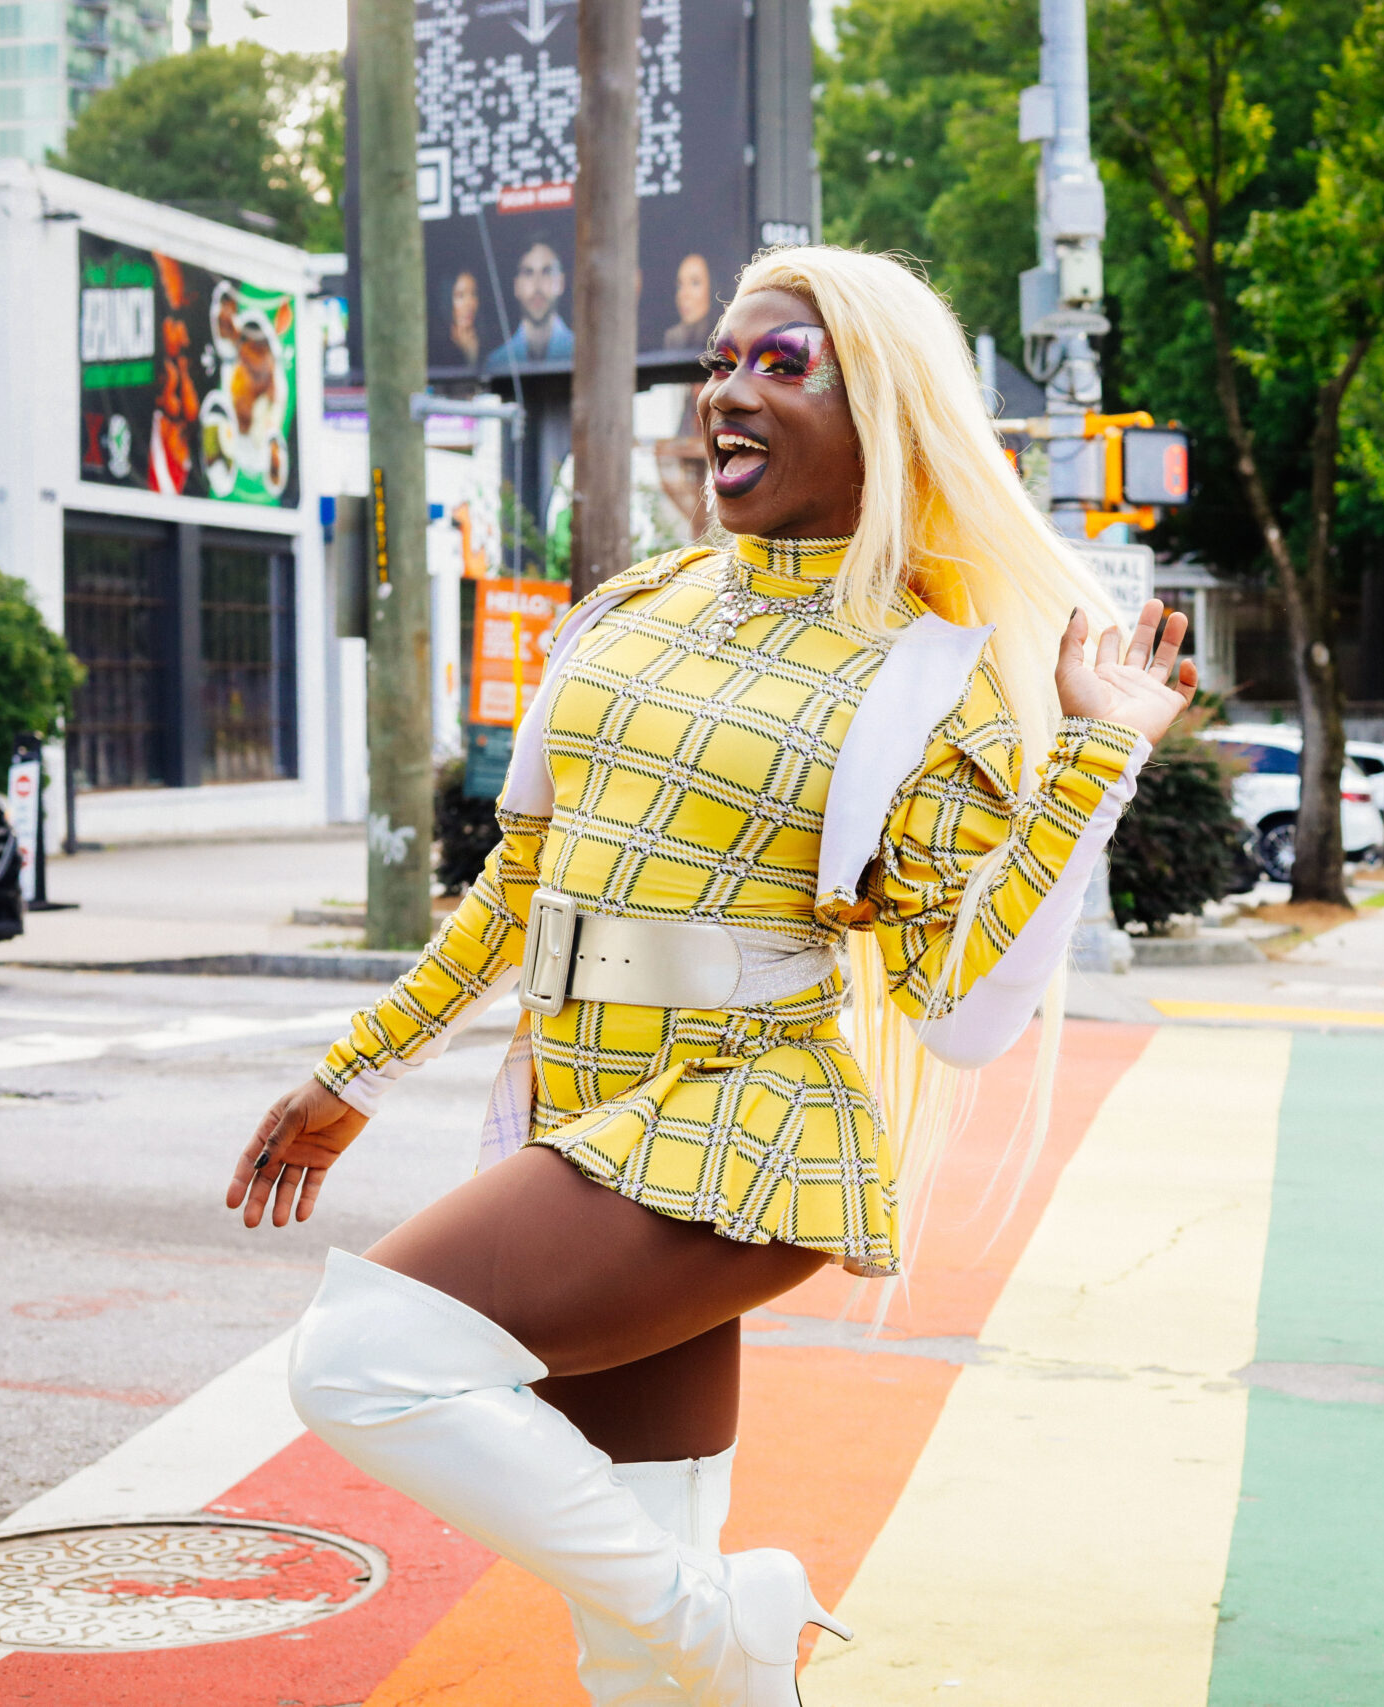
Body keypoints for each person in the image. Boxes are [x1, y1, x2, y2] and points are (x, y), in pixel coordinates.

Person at [226, 246, 1196, 1707]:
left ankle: (735, 1620)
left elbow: (961, 1009)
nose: (726, 397)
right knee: (642, 1664)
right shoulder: (631, 610)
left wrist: (1095, 760)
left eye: (781, 363)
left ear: (886, 408)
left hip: (748, 1127)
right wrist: (355, 1069)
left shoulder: (931, 675)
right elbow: (519, 888)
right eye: (718, 364)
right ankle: (724, 1642)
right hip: (584, 1102)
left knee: (360, 1357)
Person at [485, 240, 574, 367]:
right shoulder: (497, 363)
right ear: (516, 286)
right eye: (528, 272)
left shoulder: (584, 355)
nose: (537, 285)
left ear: (561, 282)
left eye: (546, 272)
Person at [663, 252, 717, 351]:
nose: (684, 294)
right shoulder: (673, 338)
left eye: (695, 283)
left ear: (712, 288)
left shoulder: (724, 335)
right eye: (680, 285)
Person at [448, 270, 482, 366]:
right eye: (460, 295)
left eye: (474, 294)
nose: (469, 303)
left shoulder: (486, 343)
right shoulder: (435, 347)